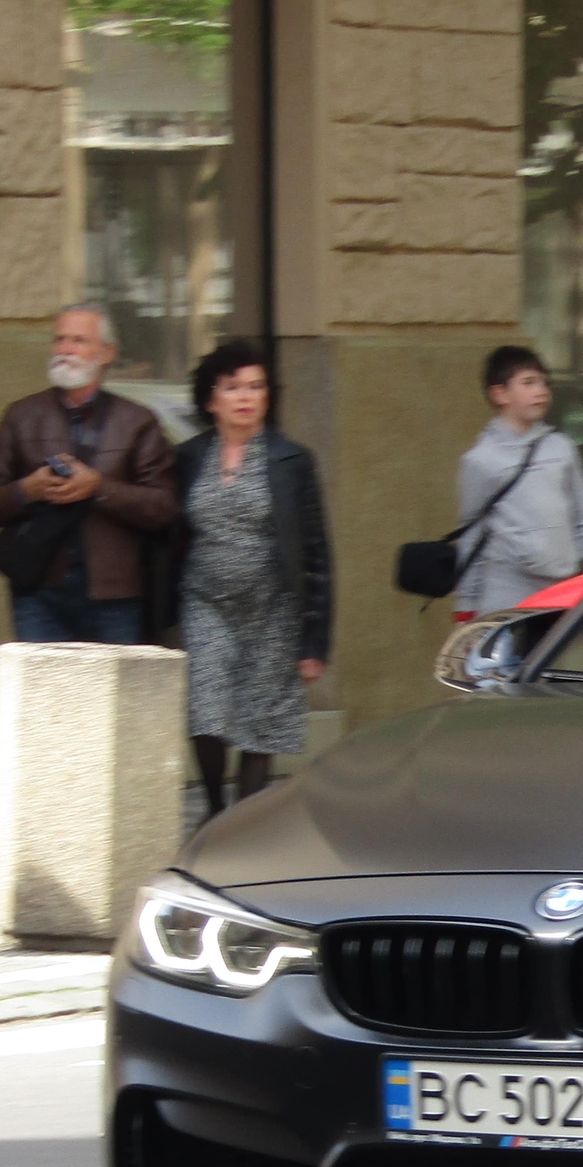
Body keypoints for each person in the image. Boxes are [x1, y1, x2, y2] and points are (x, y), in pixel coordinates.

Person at [174, 340, 331, 818]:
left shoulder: (291, 460)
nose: (246, 397)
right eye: (233, 387)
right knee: (206, 710)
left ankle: (240, 821)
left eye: (256, 387)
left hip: (273, 609)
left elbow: (318, 553)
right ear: (211, 399)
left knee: (258, 723)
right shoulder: (187, 457)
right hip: (205, 601)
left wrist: (315, 642)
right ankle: (215, 807)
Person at [0, 306, 177, 643]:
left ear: (106, 353)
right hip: (38, 592)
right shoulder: (22, 415)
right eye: (60, 340)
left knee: (113, 697)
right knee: (42, 696)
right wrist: (29, 489)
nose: (65, 349)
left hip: (115, 595)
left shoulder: (137, 421)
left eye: (79, 341)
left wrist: (98, 487)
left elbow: (163, 506)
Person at [455, 345, 583, 618]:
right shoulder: (480, 460)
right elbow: (471, 535)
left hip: (563, 590)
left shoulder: (562, 447)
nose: (541, 390)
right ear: (500, 393)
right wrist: (466, 607)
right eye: (528, 383)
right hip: (506, 593)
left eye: (543, 382)